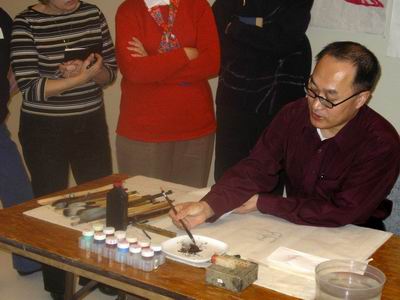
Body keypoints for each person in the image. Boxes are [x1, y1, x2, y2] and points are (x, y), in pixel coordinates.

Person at [169, 41, 400, 232]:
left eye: (330, 97)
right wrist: (209, 206)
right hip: (297, 225)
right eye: (312, 89)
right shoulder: (294, 114)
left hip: (355, 235)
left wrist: (263, 203)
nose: (316, 105)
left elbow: (344, 211)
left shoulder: (381, 143)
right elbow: (257, 167)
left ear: (361, 99)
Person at [10, 0, 117, 299]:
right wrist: (77, 78)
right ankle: (58, 283)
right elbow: (30, 87)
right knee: (51, 206)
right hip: (44, 130)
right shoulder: (25, 23)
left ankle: (104, 275)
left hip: (90, 123)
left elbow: (110, 74)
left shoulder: (92, 13)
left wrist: (92, 71)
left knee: (99, 203)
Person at [115, 0, 220, 188]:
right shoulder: (129, 10)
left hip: (195, 127)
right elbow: (134, 71)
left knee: (188, 209)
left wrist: (153, 64)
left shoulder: (198, 6)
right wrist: (185, 54)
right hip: (144, 130)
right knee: (144, 208)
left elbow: (211, 63)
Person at [212, 0, 314, 181]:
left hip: (278, 93)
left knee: (269, 173)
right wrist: (257, 25)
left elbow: (283, 40)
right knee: (227, 173)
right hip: (233, 91)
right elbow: (216, 29)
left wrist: (237, 26)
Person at [0, 7, 41, 277]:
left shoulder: (2, 18)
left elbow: (16, 64)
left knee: (19, 193)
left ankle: (29, 261)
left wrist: (3, 95)